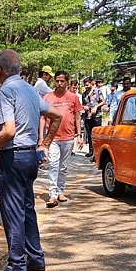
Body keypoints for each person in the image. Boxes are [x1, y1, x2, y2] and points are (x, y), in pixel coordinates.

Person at [0, 49, 62, 271]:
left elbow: (8, 131)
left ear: (1, 70)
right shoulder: (29, 89)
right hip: (29, 156)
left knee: (12, 210)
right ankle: (35, 257)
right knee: (26, 208)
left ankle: (16, 263)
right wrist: (44, 144)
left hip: (12, 156)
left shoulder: (5, 92)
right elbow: (57, 116)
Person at [42, 71, 83, 208]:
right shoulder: (48, 97)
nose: (59, 84)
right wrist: (41, 138)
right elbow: (43, 118)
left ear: (67, 82)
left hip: (68, 137)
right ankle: (52, 194)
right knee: (53, 164)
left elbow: (77, 116)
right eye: (57, 81)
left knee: (63, 167)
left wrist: (79, 135)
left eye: (62, 81)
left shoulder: (73, 97)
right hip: (52, 138)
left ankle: (60, 191)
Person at [81, 77, 104, 158]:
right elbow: (82, 104)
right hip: (88, 116)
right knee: (89, 134)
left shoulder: (98, 91)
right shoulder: (84, 94)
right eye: (85, 85)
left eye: (87, 85)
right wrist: (84, 107)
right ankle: (91, 151)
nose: (86, 87)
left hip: (97, 116)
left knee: (97, 134)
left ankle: (98, 153)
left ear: (91, 83)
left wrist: (96, 107)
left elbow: (103, 101)